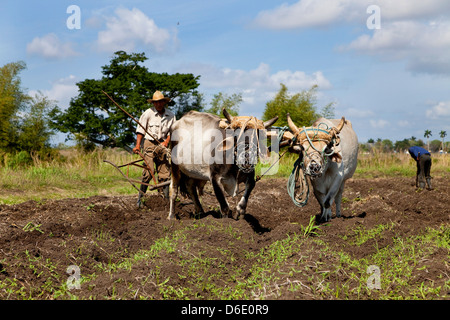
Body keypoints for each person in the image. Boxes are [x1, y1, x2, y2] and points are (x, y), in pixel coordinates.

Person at [133, 91, 176, 207]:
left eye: (160, 102)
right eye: (156, 102)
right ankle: (140, 200)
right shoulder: (148, 113)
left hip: (163, 145)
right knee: (149, 170)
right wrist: (137, 146)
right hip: (149, 144)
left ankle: (165, 200)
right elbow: (140, 131)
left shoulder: (171, 116)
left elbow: (173, 132)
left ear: (164, 102)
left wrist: (166, 142)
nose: (158, 104)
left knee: (165, 173)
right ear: (153, 103)